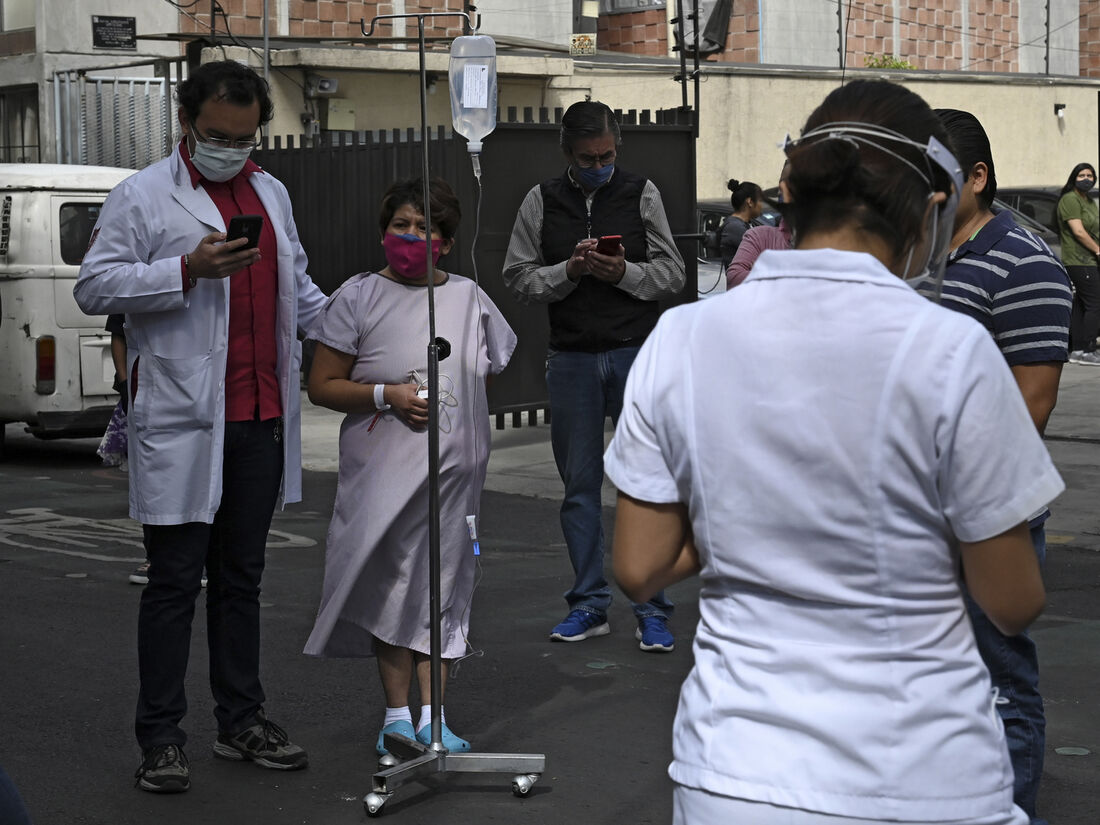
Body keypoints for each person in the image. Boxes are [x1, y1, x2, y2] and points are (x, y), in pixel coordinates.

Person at [605, 78, 1060, 825]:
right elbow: (1012, 601)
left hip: (735, 770)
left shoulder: (683, 337)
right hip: (921, 771)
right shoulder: (952, 349)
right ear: (926, 208)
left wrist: (758, 517)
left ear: (789, 191)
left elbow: (638, 565)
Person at [73, 60, 325, 793]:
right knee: (175, 582)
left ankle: (241, 719)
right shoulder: (143, 195)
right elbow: (94, 286)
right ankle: (160, 737)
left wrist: (368, 324)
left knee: (242, 580)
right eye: (217, 136)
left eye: (245, 139)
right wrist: (185, 270)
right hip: (184, 417)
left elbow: (300, 291)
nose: (231, 150)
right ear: (186, 123)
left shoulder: (271, 193)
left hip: (260, 415)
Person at [303, 178, 517, 756]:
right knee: (391, 584)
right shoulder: (357, 297)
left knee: (444, 587)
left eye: (426, 228)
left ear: (447, 242)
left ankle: (435, 719)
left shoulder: (471, 300)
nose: (412, 236)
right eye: (402, 225)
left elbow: (483, 372)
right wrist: (386, 396)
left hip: (455, 484)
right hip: (382, 477)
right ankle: (397, 717)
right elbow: (322, 385)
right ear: (383, 232)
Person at [926, 109, 1071, 825]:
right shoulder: (915, 257)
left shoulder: (1025, 263)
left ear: (976, 178)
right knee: (935, 682)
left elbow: (1029, 407)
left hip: (986, 514)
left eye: (935, 179)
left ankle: (1010, 809)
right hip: (918, 510)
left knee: (998, 680)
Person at [502, 100, 686, 651]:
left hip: (635, 354)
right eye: (587, 159)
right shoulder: (540, 200)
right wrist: (570, 270)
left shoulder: (642, 193)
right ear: (567, 153)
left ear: (617, 147)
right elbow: (517, 276)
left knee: (645, 484)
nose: (599, 166)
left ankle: (652, 608)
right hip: (572, 358)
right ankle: (588, 603)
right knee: (579, 489)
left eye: (606, 156)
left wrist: (623, 272)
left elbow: (673, 273)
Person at [1056, 162, 1100, 364]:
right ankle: (1089, 350)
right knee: (1095, 303)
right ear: (1074, 178)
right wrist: (1097, 250)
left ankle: (1077, 350)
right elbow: (1079, 231)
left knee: (1082, 305)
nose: (1086, 179)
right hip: (1079, 260)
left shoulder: (1088, 201)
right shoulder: (1070, 199)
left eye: (1090, 175)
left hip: (1089, 260)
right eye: (1081, 175)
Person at [725, 161, 792, 288]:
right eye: (760, 201)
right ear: (750, 202)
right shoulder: (749, 232)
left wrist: (762, 272)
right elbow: (735, 276)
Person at [718, 178, 763, 270]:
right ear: (750, 202)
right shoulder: (735, 227)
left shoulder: (744, 224)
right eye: (760, 200)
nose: (762, 205)